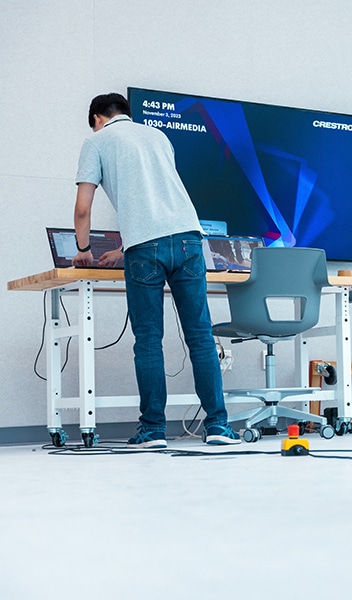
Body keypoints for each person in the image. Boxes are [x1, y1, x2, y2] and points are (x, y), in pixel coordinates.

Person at [72, 92, 240, 448]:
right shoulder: (158, 135)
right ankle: (219, 428)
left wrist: (84, 250)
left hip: (146, 250)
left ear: (98, 118)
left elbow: (83, 209)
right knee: (199, 336)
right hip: (189, 240)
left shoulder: (97, 140)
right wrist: (123, 247)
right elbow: (158, 199)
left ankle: (153, 431)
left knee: (148, 340)